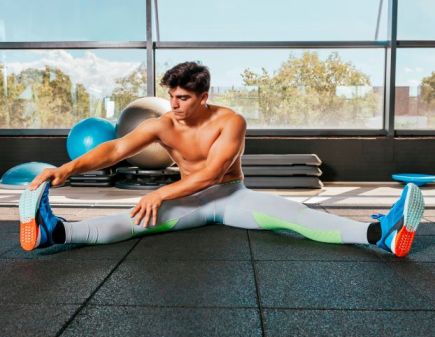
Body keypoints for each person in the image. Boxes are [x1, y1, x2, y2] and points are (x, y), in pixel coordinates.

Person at [19, 61, 424, 257]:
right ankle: (55, 234)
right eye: (171, 96)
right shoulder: (164, 123)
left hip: (233, 197)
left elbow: (213, 173)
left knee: (298, 217)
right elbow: (115, 149)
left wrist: (162, 194)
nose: (174, 105)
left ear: (204, 96)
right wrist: (66, 168)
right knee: (129, 223)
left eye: (183, 98)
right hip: (189, 203)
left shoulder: (231, 121)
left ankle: (380, 235)